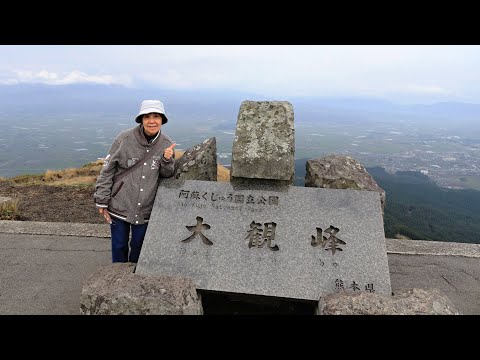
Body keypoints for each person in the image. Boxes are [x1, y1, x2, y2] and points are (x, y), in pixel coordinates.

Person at [94, 99, 176, 263]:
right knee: (119, 246)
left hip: (146, 208)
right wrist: (102, 201)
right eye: (147, 117)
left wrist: (167, 161)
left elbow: (167, 175)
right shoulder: (124, 139)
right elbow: (107, 170)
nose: (152, 121)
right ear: (141, 119)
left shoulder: (166, 144)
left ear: (162, 120)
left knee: (139, 247)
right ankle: (117, 279)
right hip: (120, 204)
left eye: (156, 116)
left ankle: (133, 281)